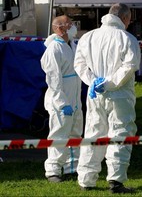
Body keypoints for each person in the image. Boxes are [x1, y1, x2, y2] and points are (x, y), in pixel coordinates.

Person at [74, 3, 141, 193]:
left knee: (93, 134)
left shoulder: (88, 37)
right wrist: (110, 83)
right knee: (120, 133)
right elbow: (129, 66)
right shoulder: (127, 38)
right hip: (120, 95)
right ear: (126, 19)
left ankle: (86, 180)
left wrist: (93, 82)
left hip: (95, 94)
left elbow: (79, 64)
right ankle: (116, 180)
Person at [41, 15, 83, 183]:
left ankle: (71, 166)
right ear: (59, 28)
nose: (73, 27)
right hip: (61, 97)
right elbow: (53, 79)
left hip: (74, 94)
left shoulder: (71, 45)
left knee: (74, 131)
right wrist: (61, 102)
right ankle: (53, 170)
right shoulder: (54, 49)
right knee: (59, 133)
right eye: (69, 24)